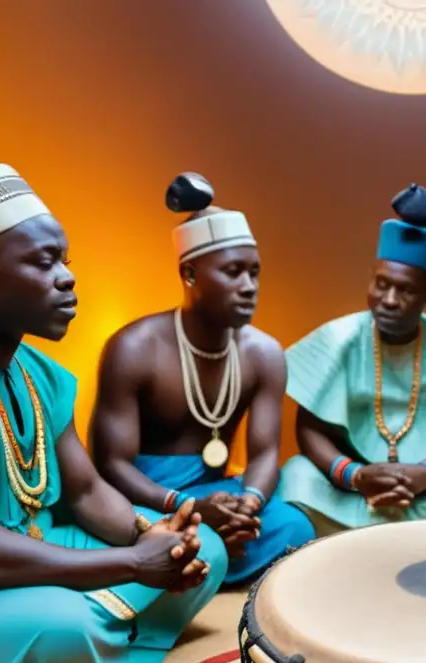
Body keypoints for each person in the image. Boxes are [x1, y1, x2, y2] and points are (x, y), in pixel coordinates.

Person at [0, 118, 227, 663]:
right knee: (56, 626)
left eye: (65, 260)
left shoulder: (39, 373)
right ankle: (53, 652)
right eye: (45, 262)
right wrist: (133, 565)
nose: (68, 277)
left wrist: (148, 531)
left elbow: (82, 492)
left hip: (34, 547)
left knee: (203, 548)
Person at [89, 173, 314, 585]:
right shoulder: (134, 347)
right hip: (151, 499)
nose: (249, 287)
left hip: (219, 493)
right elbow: (110, 465)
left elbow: (264, 454)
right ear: (190, 274)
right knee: (151, 535)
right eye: (233, 272)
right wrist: (188, 504)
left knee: (294, 527)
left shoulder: (264, 354)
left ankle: (207, 561)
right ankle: (198, 560)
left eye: (254, 273)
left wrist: (248, 503)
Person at [278, 184, 426, 535]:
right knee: (296, 476)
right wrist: (355, 476)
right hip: (352, 490)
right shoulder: (338, 339)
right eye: (381, 284)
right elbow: (309, 427)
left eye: (405, 290)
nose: (388, 299)